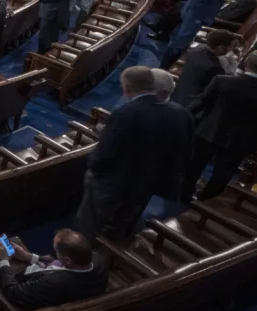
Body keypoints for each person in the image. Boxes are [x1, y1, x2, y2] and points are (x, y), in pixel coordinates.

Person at [76, 66, 193, 240]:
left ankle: (83, 259)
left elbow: (104, 155)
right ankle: (109, 254)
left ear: (126, 88)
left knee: (91, 224)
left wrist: (93, 169)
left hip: (112, 184)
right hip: (148, 184)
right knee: (122, 224)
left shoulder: (125, 114)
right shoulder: (182, 114)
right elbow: (184, 152)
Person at [182, 51, 257, 201]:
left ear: (246, 64)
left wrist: (183, 117)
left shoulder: (222, 81)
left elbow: (200, 102)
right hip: (241, 141)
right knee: (223, 173)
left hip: (209, 131)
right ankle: (206, 199)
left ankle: (184, 194)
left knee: (194, 165)